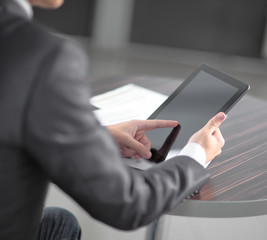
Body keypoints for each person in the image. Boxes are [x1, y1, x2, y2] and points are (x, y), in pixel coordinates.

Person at [0, 0, 226, 239]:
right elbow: (125, 203)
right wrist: (196, 155)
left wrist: (96, 135)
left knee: (59, 221)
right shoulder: (41, 56)